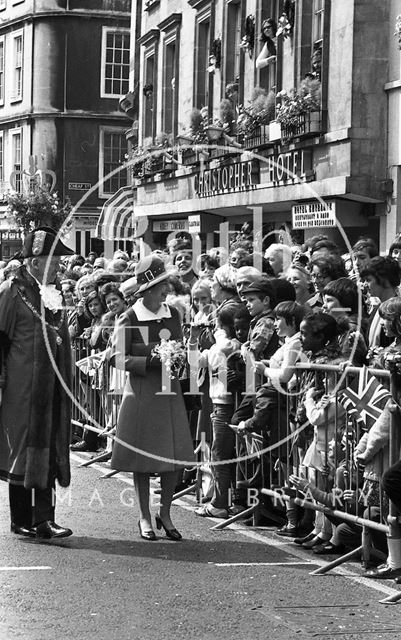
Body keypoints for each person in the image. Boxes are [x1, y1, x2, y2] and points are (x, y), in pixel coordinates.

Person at [109, 254, 194, 541]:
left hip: (169, 392)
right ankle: (144, 516)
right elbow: (116, 358)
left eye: (166, 284)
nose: (166, 290)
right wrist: (151, 359)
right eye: (160, 285)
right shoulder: (129, 317)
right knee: (142, 459)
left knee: (172, 457)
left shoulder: (174, 313)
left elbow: (179, 346)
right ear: (147, 289)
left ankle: (165, 513)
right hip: (143, 393)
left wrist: (179, 356)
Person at [0, 227, 74, 539]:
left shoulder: (54, 292)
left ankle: (45, 519)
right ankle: (21, 518)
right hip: (22, 386)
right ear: (34, 261)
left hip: (53, 383)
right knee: (24, 448)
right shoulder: (11, 291)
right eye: (53, 259)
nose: (58, 265)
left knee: (50, 443)